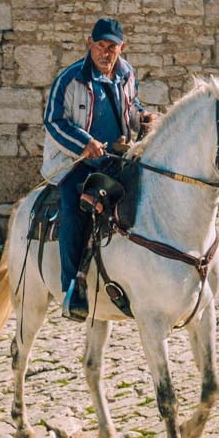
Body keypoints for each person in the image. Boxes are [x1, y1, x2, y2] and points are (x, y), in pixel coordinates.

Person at [42, 16, 146, 320]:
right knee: (75, 209)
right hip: (74, 162)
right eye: (100, 46)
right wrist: (84, 144)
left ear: (122, 48)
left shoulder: (127, 74)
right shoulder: (70, 79)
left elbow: (133, 107)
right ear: (89, 44)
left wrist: (143, 119)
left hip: (115, 158)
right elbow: (53, 121)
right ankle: (72, 287)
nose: (106, 52)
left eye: (112, 47)